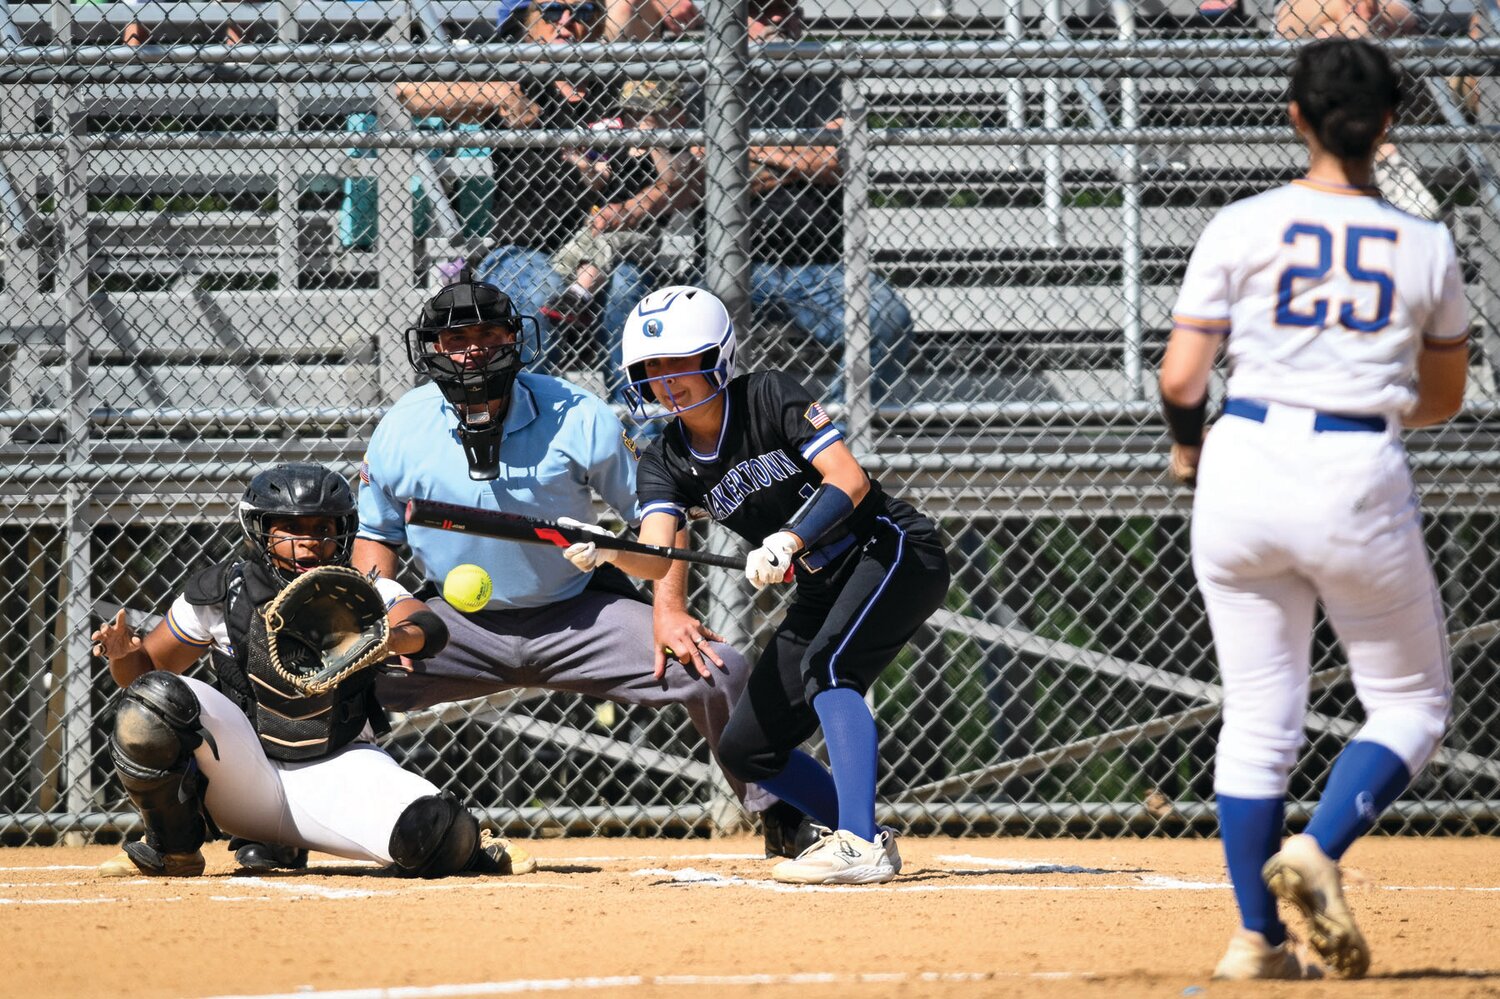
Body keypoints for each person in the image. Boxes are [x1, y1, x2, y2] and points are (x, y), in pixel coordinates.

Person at [1159, 39, 1468, 981]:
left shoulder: (1243, 223)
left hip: (1243, 458)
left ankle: (1257, 939)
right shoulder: (1425, 242)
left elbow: (1181, 375)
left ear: (1296, 117)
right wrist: (1365, 405)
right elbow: (1443, 396)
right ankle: (1321, 844)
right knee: (1411, 703)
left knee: (1257, 716)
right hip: (1352, 466)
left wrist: (1187, 447)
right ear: (1388, 125)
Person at [355, 274, 811, 856]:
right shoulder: (402, 426)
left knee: (719, 670)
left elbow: (661, 512)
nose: (472, 348)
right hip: (457, 628)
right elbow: (374, 537)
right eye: (455, 337)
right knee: (338, 674)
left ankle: (783, 817)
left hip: (577, 615)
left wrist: (669, 611)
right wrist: (391, 605)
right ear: (431, 349)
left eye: (488, 332)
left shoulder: (575, 412)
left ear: (514, 340)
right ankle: (313, 820)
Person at [566, 285, 949, 884]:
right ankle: (867, 836)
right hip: (822, 584)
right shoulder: (662, 456)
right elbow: (657, 553)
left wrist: (788, 540)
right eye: (650, 369)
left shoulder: (768, 395)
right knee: (748, 750)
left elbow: (847, 480)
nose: (665, 381)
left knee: (829, 669)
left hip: (891, 549)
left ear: (716, 356)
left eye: (678, 364)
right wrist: (609, 549)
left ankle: (856, 845)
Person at [89, 463, 533, 879]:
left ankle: (472, 844)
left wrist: (392, 638)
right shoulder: (225, 590)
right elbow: (146, 673)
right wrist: (123, 655)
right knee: (153, 700)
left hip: (338, 767)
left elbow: (428, 628)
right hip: (245, 773)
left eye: (323, 528)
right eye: (291, 528)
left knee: (436, 835)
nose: (309, 541)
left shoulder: (365, 587)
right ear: (259, 529)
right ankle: (173, 848)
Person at [539, 79, 695, 333]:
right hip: (600, 224)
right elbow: (600, 180)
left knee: (605, 245)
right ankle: (580, 299)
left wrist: (655, 138)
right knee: (572, 253)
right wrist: (585, 166)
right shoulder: (619, 147)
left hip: (645, 235)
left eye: (647, 114)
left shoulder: (671, 150)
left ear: (676, 115)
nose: (637, 120)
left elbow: (673, 177)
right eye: (631, 114)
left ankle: (578, 296)